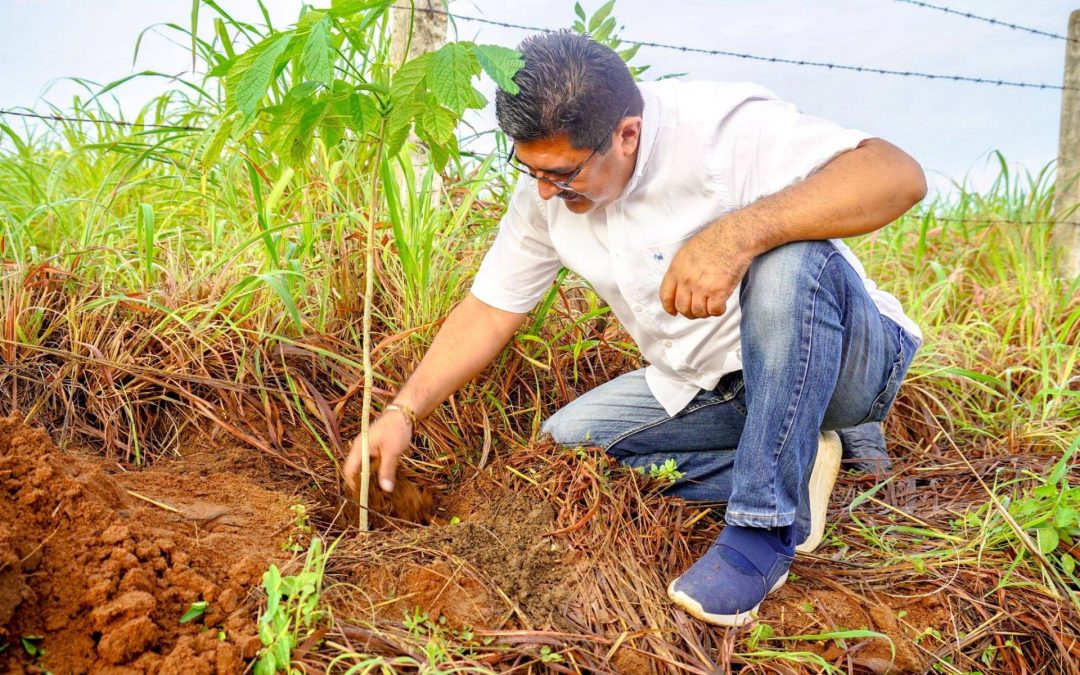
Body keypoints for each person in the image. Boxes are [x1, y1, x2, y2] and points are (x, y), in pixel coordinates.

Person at [344, 30, 925, 627]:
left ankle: (762, 532)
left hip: (842, 361)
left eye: (563, 173)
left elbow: (897, 175)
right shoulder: (545, 192)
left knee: (787, 260)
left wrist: (737, 235)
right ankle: (797, 463)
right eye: (531, 170)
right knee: (566, 448)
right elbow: (492, 309)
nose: (545, 190)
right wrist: (402, 412)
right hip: (711, 383)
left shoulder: (721, 131)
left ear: (627, 134)